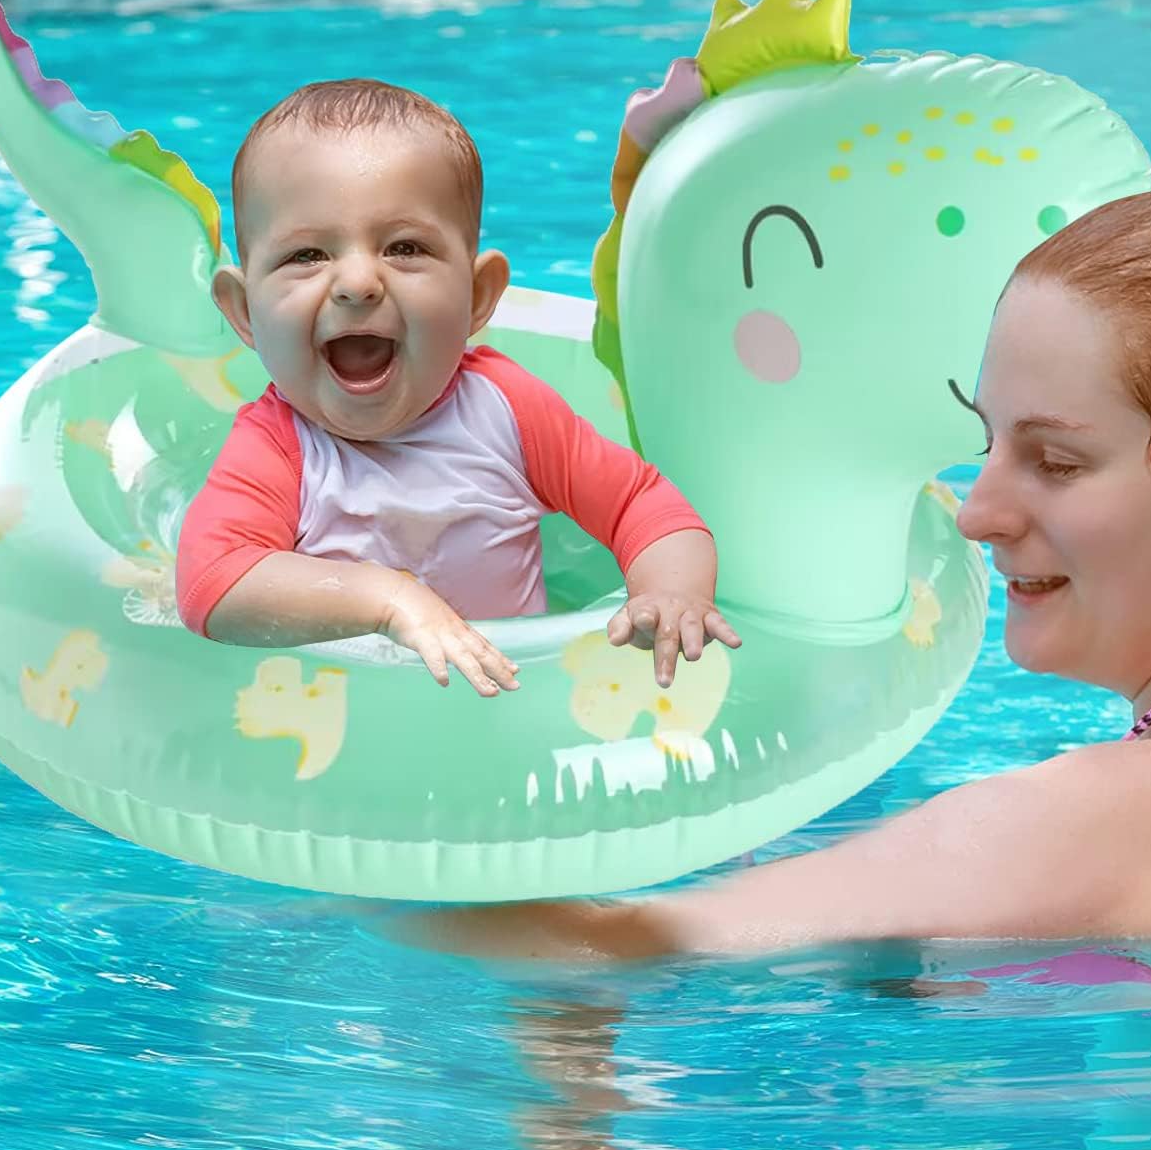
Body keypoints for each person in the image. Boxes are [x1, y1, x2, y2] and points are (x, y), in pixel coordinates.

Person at [400, 185, 1151, 959]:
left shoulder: (1113, 818)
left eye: (1056, 462)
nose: (977, 514)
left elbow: (606, 952)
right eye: (988, 444)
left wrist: (359, 854)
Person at [175, 80, 739, 696]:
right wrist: (388, 600)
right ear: (244, 311)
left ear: (477, 296)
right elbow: (213, 583)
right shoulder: (275, 450)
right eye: (307, 255)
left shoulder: (509, 411)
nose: (358, 282)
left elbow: (643, 507)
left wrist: (671, 592)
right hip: (353, 717)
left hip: (513, 705)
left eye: (404, 247)